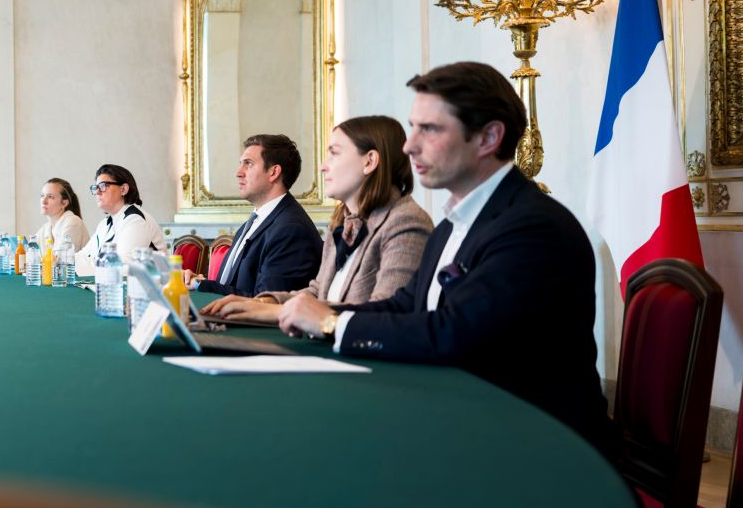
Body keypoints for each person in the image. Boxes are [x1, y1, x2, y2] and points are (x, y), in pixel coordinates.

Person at [277, 62, 611, 447]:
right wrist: (325, 314)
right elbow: (407, 306)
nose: (408, 145)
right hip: (470, 417)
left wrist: (334, 325)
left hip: (535, 442)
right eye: (413, 126)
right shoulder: (454, 223)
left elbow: (455, 333)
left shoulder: (532, 227)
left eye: (430, 129)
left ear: (488, 138)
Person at [203, 116, 431, 324]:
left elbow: (386, 315)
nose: (323, 166)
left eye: (335, 153)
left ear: (369, 161)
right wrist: (264, 302)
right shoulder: (342, 221)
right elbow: (317, 290)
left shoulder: (405, 222)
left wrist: (279, 312)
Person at [190, 133, 320, 297]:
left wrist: (200, 285)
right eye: (240, 164)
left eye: (248, 164)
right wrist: (200, 283)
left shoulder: (291, 229)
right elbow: (232, 287)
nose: (239, 172)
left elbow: (266, 303)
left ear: (274, 172)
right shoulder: (253, 223)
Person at [79, 164, 163, 271]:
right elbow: (85, 254)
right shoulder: (104, 223)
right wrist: (61, 260)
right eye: (96, 187)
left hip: (152, 285)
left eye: (103, 185)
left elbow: (122, 266)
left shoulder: (135, 220)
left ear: (123, 189)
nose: (98, 192)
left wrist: (72, 265)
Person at [32, 178, 90, 254]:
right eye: (42, 195)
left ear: (64, 203)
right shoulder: (45, 229)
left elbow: (61, 260)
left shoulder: (73, 222)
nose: (43, 201)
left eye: (50, 197)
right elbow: (31, 256)